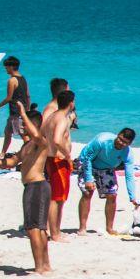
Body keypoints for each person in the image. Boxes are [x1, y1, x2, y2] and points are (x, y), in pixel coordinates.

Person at [0, 107, 51, 274]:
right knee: (37, 228)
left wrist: (24, 113)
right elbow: (11, 162)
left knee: (34, 228)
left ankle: (41, 266)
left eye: (25, 124)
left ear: (34, 125)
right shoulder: (27, 146)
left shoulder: (41, 142)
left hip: (37, 186)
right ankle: (44, 266)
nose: (22, 127)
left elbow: (38, 135)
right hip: (31, 187)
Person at [75, 128, 140, 236]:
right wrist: (88, 179)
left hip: (106, 168)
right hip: (87, 163)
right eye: (120, 139)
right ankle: (82, 228)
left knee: (112, 195)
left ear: (130, 143)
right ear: (118, 134)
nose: (121, 143)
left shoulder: (128, 153)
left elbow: (129, 175)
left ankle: (109, 228)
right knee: (88, 192)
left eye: (125, 143)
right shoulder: (102, 141)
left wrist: (132, 197)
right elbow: (87, 159)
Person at [42, 89, 75, 242]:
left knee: (56, 197)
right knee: (57, 198)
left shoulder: (51, 117)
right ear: (71, 103)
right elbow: (56, 139)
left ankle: (55, 230)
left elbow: (42, 134)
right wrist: (67, 155)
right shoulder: (61, 118)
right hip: (58, 160)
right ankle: (55, 234)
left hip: (50, 158)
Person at [0, 56, 31, 155]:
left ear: (11, 67)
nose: (5, 69)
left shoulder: (12, 80)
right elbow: (28, 95)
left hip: (16, 112)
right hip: (23, 110)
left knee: (24, 136)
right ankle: (2, 154)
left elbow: (9, 98)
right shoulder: (23, 78)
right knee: (7, 132)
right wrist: (27, 110)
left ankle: (30, 153)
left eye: (6, 67)